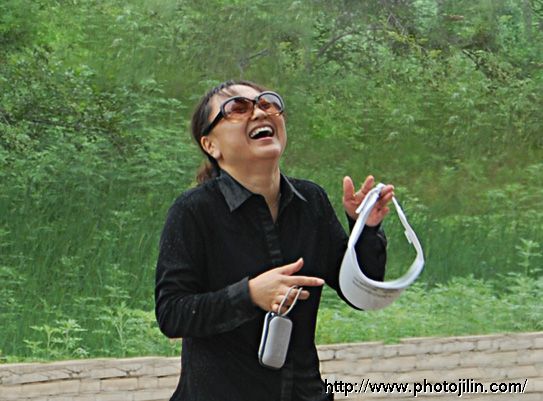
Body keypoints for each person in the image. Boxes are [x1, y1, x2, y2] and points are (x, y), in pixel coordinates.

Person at [155, 80, 394, 401]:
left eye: (267, 103)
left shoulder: (311, 201)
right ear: (211, 146)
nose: (259, 112)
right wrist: (249, 294)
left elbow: (361, 294)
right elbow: (172, 313)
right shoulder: (193, 211)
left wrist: (364, 227)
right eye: (238, 108)